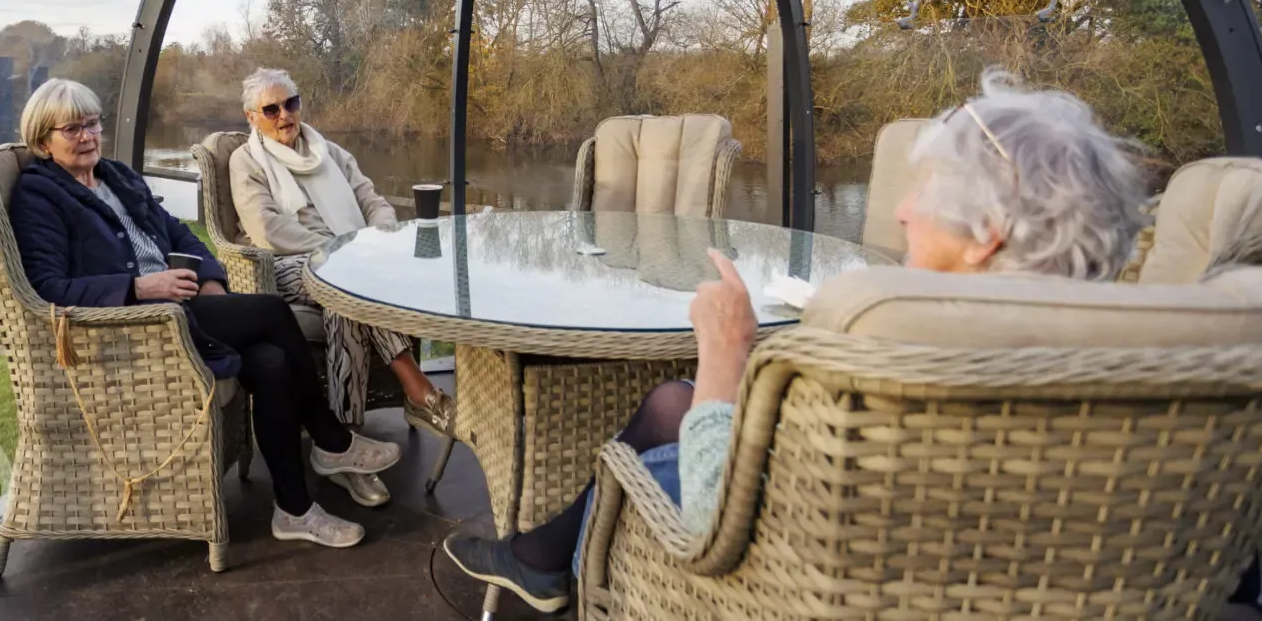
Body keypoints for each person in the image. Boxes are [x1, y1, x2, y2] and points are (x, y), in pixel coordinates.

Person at [442, 70, 1149, 611]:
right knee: (669, 400)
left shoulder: (910, 350)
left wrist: (725, 352)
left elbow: (715, 515)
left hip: (781, 576)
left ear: (989, 229)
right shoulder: (1145, 377)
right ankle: (536, 554)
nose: (901, 209)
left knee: (659, 425)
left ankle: (542, 557)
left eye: (924, 189)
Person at [6, 78, 401, 548]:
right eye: (72, 129)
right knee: (274, 311)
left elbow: (180, 235)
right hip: (140, 327)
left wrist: (212, 282)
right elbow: (46, 289)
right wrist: (137, 287)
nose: (88, 136)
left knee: (272, 364)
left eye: (92, 123)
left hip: (185, 305)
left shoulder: (115, 177)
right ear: (42, 140)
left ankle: (294, 510)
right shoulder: (39, 196)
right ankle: (332, 441)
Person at [228, 68, 456, 444]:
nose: (285, 115)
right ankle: (419, 391)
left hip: (350, 257)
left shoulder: (329, 152)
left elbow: (373, 201)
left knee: (342, 298)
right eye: (271, 109)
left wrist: (378, 238)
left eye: (291, 103)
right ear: (251, 117)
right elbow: (267, 228)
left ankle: (345, 434)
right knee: (345, 280)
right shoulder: (246, 161)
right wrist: (336, 251)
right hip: (282, 262)